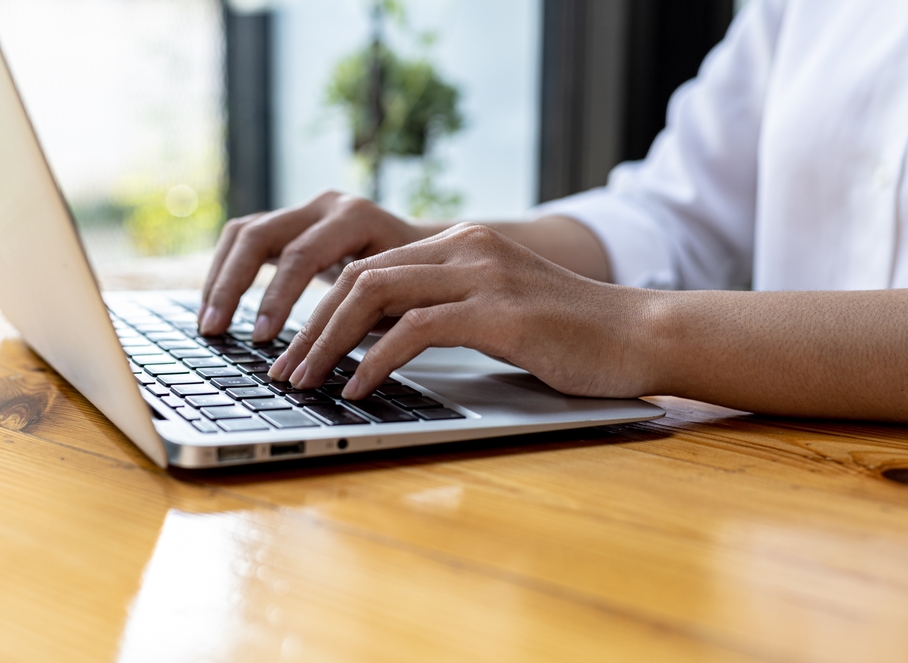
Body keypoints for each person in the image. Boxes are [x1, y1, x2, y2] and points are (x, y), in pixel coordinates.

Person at [198, 0, 908, 422]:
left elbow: (638, 309)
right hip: (787, 521)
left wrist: (637, 330)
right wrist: (428, 252)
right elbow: (675, 213)